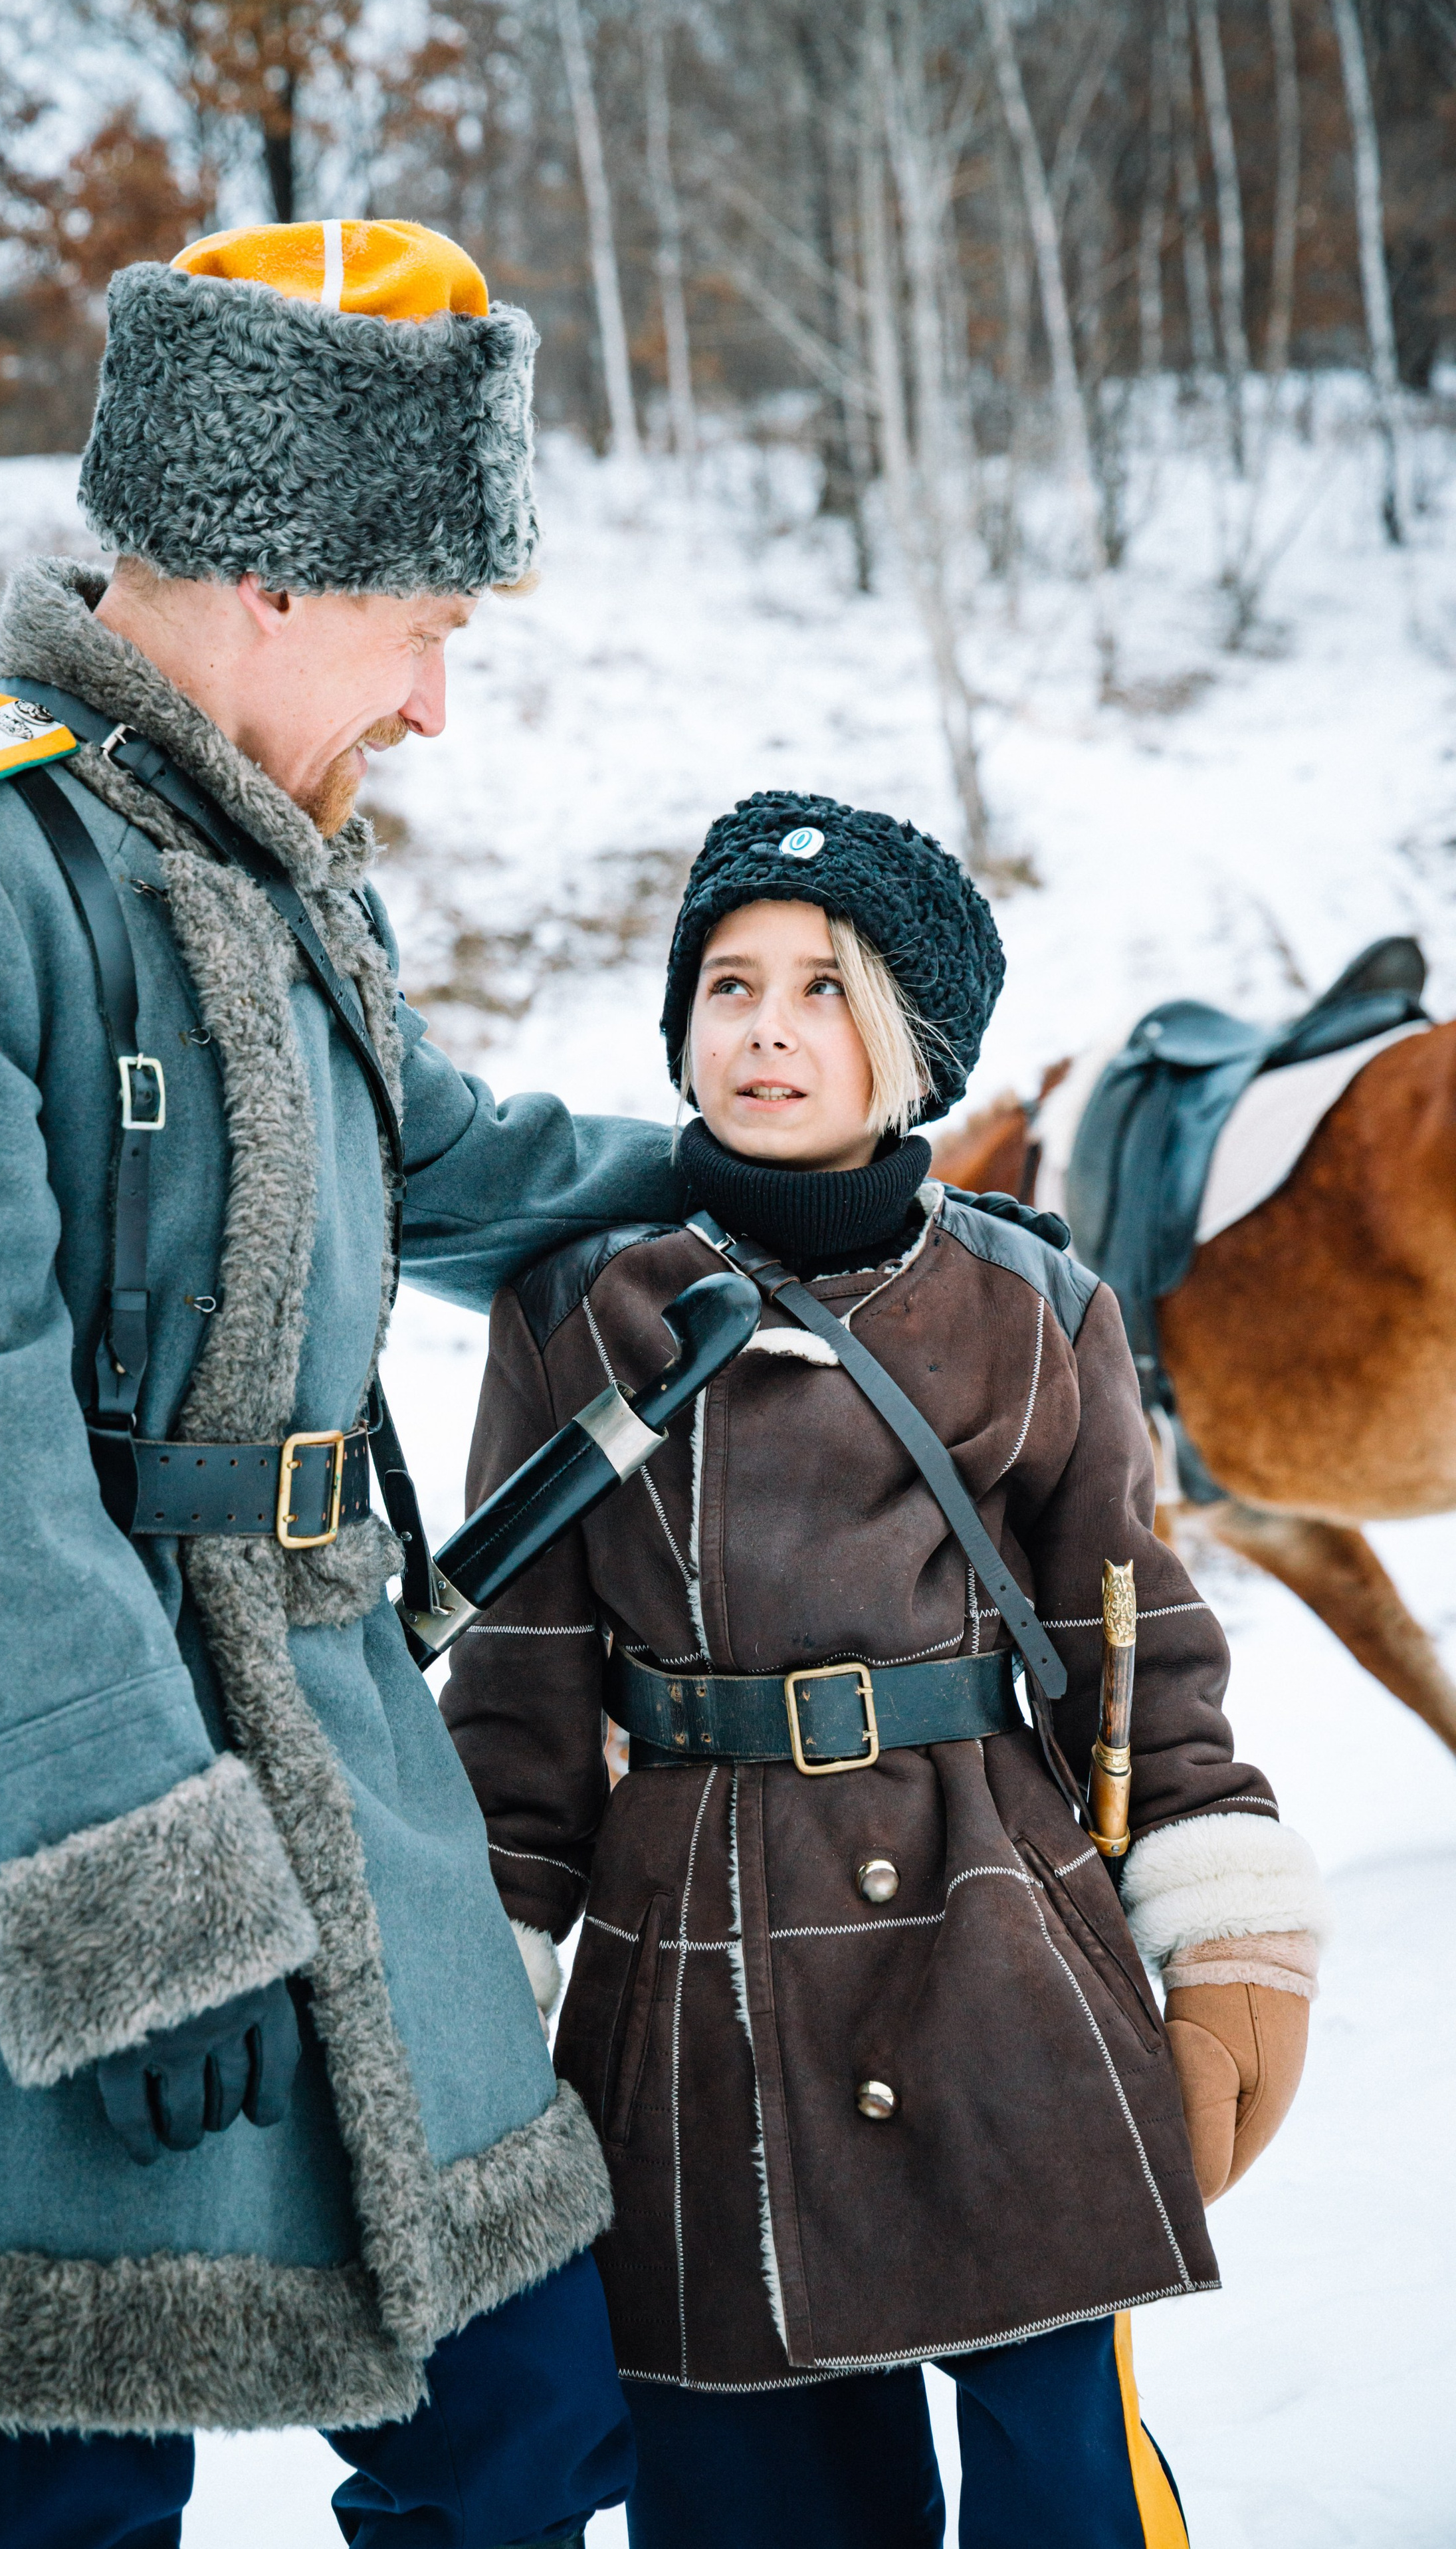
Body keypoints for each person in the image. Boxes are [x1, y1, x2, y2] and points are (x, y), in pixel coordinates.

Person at [0, 219, 677, 2548]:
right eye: (428, 630)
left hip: (341, 1772)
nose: (437, 708)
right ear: (275, 574)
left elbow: (451, 1154)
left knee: (532, 2414)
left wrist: (753, 1182)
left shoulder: (284, 885)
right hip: (19, 1821)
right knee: (52, 2499)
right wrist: (120, 1886)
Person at [442, 792, 1329, 2549]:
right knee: (752, 2501)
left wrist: (1229, 1920)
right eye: (728, 985)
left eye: (825, 989)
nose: (766, 1026)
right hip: (695, 1996)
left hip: (998, 1956)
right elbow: (521, 1694)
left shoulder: (1033, 1303)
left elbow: (1136, 1649)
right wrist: (473, 1975)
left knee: (1065, 2494)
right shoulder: (576, 1308)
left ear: (917, 1048)